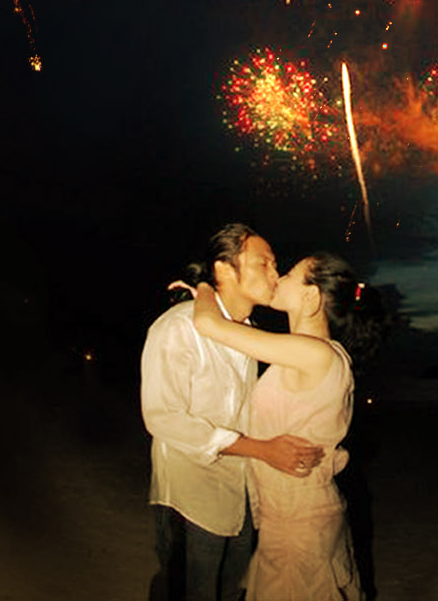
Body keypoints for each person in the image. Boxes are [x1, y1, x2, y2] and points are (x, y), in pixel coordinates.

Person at [142, 224, 326, 601]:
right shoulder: (179, 327)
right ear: (224, 269)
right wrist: (262, 449)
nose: (275, 274)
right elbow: (163, 417)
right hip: (190, 498)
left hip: (241, 497)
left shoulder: (247, 334)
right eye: (264, 263)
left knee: (231, 592)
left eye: (276, 265)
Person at [188, 252, 382, 601]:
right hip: (290, 515)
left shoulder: (314, 354)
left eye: (290, 274)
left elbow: (208, 325)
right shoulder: (313, 353)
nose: (278, 278)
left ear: (311, 296)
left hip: (298, 522)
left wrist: (204, 282)